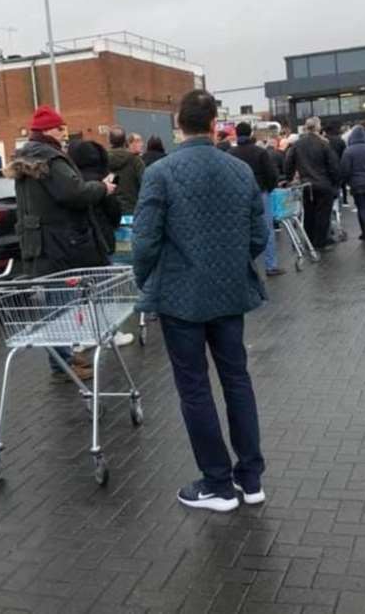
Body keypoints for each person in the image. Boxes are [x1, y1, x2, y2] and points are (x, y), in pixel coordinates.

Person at [133, 89, 268, 512]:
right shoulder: (240, 171)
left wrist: (147, 283)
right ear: (214, 124)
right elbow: (258, 234)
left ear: (179, 125)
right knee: (237, 380)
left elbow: (144, 240)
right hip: (230, 294)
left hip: (180, 297)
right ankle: (251, 479)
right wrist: (232, 263)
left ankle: (217, 483)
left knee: (194, 389)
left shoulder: (160, 173)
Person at [4, 106, 116, 382]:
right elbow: (73, 194)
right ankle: (63, 363)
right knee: (59, 303)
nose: (63, 134)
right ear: (47, 131)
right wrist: (103, 188)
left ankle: (63, 356)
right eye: (59, 129)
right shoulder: (51, 159)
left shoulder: (27, 157)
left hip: (39, 239)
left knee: (56, 301)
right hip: (59, 241)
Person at [67, 139, 134, 347]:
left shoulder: (72, 181)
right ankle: (109, 332)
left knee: (82, 290)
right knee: (104, 287)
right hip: (101, 238)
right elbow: (113, 210)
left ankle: (84, 334)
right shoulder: (102, 181)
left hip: (77, 240)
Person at [231, 122, 284, 277]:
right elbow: (271, 174)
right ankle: (271, 265)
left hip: (238, 196)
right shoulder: (260, 152)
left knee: (241, 230)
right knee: (267, 229)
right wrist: (269, 188)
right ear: (251, 133)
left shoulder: (231, 153)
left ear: (236, 133)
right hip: (261, 193)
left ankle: (244, 266)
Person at [284, 117, 340, 251]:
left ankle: (309, 240)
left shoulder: (297, 144)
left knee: (309, 213)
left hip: (306, 185)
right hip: (323, 183)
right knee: (323, 214)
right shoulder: (323, 143)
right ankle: (321, 242)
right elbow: (333, 165)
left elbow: (288, 162)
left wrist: (289, 177)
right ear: (318, 127)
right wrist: (335, 182)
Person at [107, 126, 146, 215]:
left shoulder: (102, 161)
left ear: (109, 141)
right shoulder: (135, 161)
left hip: (110, 211)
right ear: (125, 141)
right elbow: (144, 183)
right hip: (133, 209)